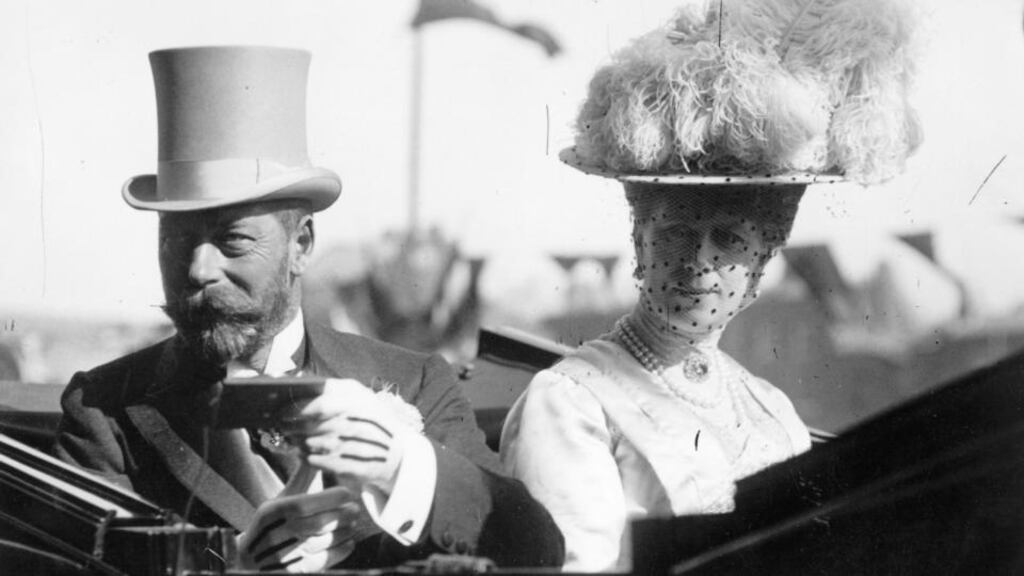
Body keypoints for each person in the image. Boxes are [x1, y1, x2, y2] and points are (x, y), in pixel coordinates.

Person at [54, 46, 563, 572]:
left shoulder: (415, 383)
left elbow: (536, 549)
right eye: (176, 242)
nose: (198, 270)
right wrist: (232, 565)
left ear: (301, 246)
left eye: (232, 240)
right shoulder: (104, 410)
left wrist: (399, 468)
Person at [500, 1, 921, 572]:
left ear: (762, 260)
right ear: (640, 243)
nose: (697, 262)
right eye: (673, 233)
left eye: (727, 240)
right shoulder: (573, 401)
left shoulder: (772, 410)